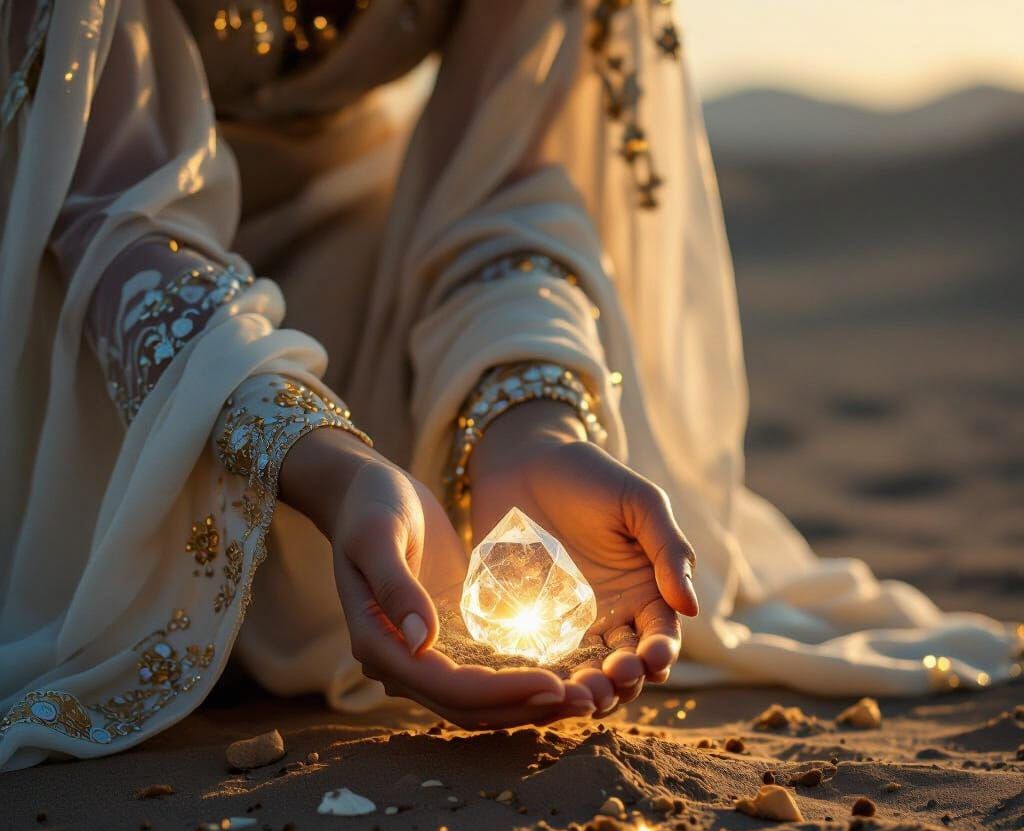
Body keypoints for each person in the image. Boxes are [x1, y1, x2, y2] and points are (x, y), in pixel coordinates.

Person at [0, 0, 1016, 772]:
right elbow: (104, 208)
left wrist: (529, 423)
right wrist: (331, 466)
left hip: (364, 267)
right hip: (73, 273)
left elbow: (508, 195)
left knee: (374, 570)